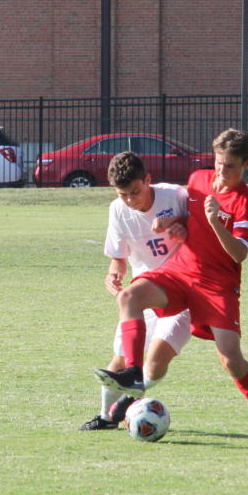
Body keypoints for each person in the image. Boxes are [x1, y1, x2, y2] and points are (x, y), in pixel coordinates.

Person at [95, 129, 248, 442]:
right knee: (128, 296)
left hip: (218, 285)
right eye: (219, 163)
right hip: (181, 272)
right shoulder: (197, 180)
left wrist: (217, 222)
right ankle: (133, 374)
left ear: (246, 164)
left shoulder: (245, 201)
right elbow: (187, 220)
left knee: (231, 360)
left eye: (231, 166)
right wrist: (171, 224)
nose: (222, 171)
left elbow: (240, 254)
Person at [81, 151, 193, 431]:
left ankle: (122, 407)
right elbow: (118, 256)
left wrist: (185, 226)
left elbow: (202, 225)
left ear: (148, 180)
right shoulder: (117, 211)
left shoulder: (176, 196)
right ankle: (107, 418)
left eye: (135, 192)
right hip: (144, 294)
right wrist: (114, 271)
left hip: (182, 292)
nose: (131, 201)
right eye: (123, 195)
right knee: (118, 362)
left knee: (155, 362)